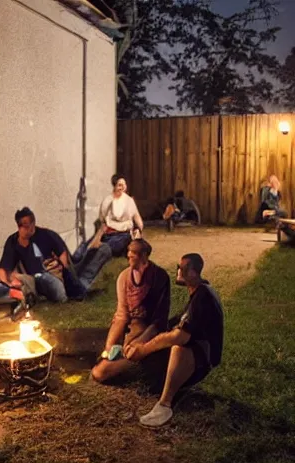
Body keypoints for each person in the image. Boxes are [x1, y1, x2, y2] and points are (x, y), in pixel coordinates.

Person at [125, 253, 224, 427]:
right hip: (198, 357)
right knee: (161, 343)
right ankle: (157, 383)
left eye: (183, 268)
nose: (178, 271)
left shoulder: (203, 296)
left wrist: (144, 349)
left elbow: (180, 336)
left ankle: (165, 404)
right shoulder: (198, 292)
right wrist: (139, 342)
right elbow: (172, 324)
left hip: (202, 361)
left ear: (193, 272)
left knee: (178, 345)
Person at [91, 239, 170, 383]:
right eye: (129, 252)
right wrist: (109, 347)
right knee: (99, 370)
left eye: (134, 253)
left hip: (149, 335)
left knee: (103, 372)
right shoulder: (124, 278)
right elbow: (121, 315)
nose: (129, 255)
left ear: (145, 255)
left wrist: (137, 344)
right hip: (129, 332)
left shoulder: (159, 277)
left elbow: (159, 321)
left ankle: (138, 366)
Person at [0, 207, 112, 303]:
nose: (30, 228)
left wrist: (64, 272)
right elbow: (3, 268)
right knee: (46, 280)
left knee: (103, 249)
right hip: (37, 279)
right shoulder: (13, 241)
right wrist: (7, 284)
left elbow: (62, 252)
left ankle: (77, 289)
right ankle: (77, 290)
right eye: (26, 226)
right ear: (19, 227)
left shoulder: (45, 235)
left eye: (32, 223)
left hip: (57, 273)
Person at [73, 174, 144, 261]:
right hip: (108, 232)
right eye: (119, 185)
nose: (122, 187)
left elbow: (137, 218)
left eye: (124, 185)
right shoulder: (108, 200)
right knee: (87, 247)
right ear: (114, 186)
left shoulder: (129, 201)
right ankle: (77, 259)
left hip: (123, 234)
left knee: (105, 248)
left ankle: (91, 259)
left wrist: (139, 230)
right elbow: (102, 218)